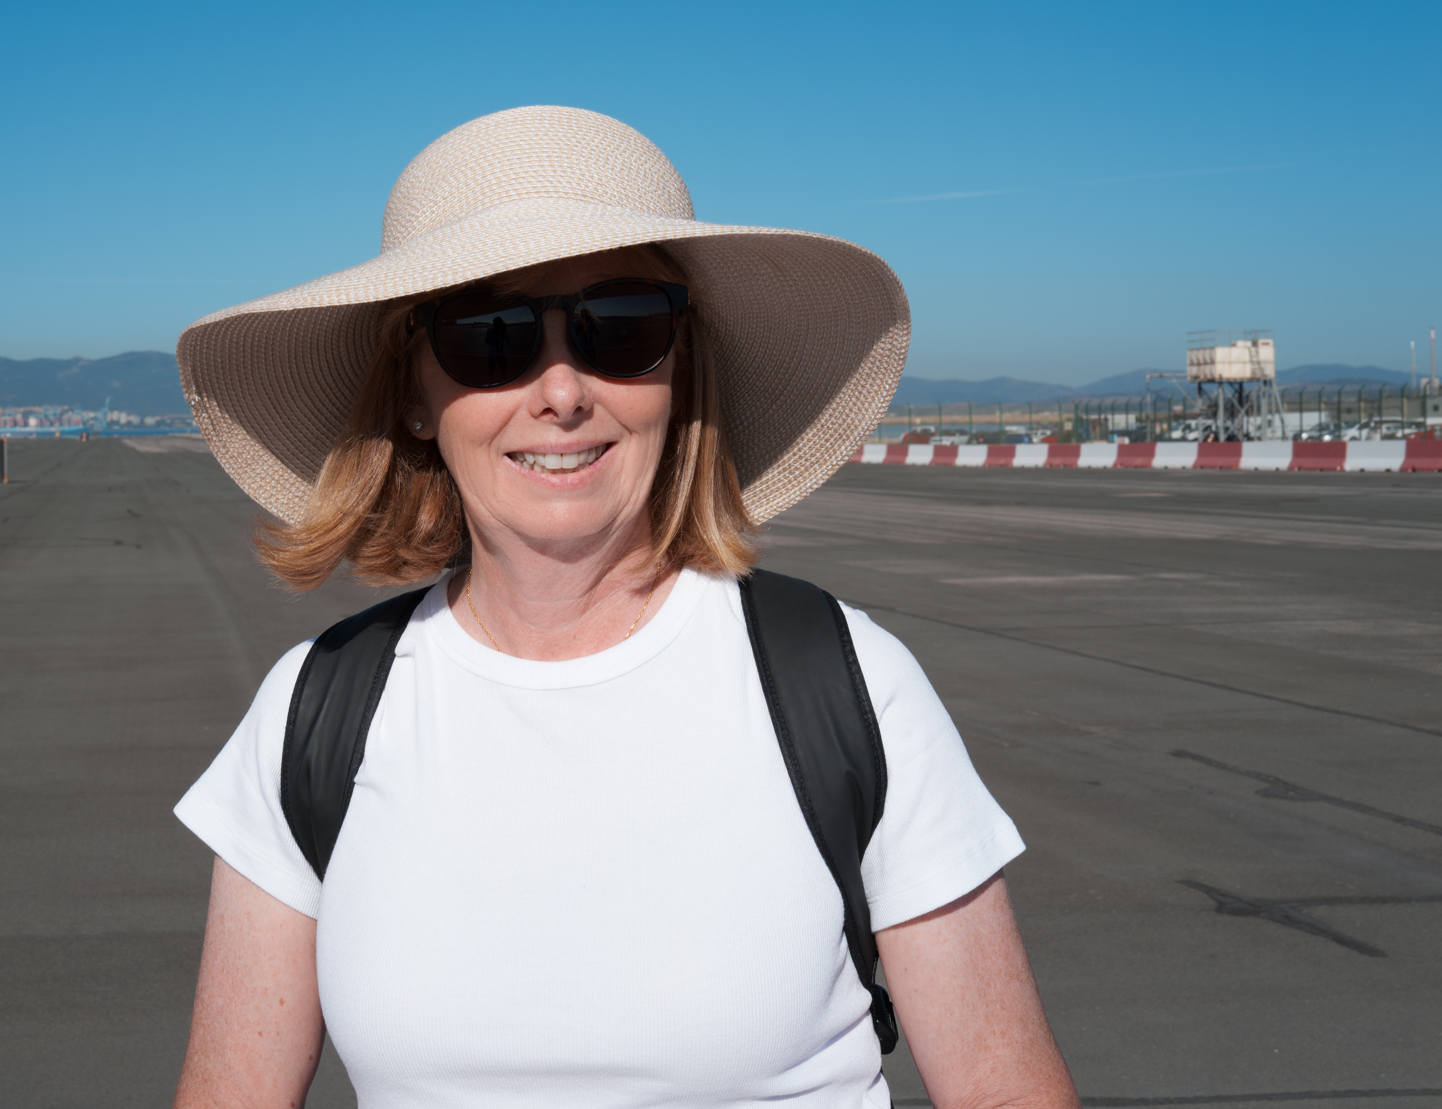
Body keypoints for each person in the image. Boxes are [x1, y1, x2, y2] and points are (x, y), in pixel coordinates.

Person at [170, 106, 1079, 1109]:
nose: (562, 392)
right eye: (489, 337)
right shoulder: (313, 714)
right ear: (413, 398)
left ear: (680, 368)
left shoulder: (848, 683)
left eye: (624, 327)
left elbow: (1004, 1088)